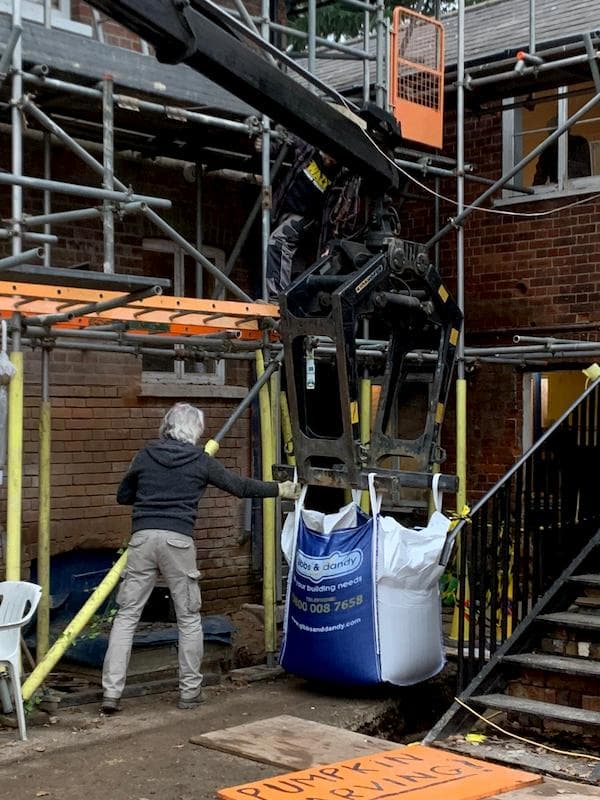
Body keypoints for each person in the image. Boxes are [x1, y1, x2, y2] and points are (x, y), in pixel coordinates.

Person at [101, 402, 299, 713]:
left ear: (167, 426)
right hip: (178, 541)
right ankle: (189, 692)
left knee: (126, 618)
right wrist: (279, 489)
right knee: (189, 619)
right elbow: (239, 486)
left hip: (142, 538)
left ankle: (111, 694)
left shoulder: (145, 455)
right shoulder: (199, 460)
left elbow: (123, 496)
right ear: (195, 432)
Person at [266, 137, 340, 298]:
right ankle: (284, 296)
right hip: (282, 209)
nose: (330, 161)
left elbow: (330, 214)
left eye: (334, 160)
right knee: (283, 257)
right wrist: (266, 146)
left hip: (305, 218)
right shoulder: (308, 149)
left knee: (278, 242)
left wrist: (327, 244)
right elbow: (285, 142)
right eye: (330, 157)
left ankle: (277, 297)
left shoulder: (338, 175)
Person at [532, 120, 591, 185]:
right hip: (573, 186)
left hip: (576, 186)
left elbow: (540, 177)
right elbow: (540, 176)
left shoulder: (579, 142)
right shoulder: (548, 151)